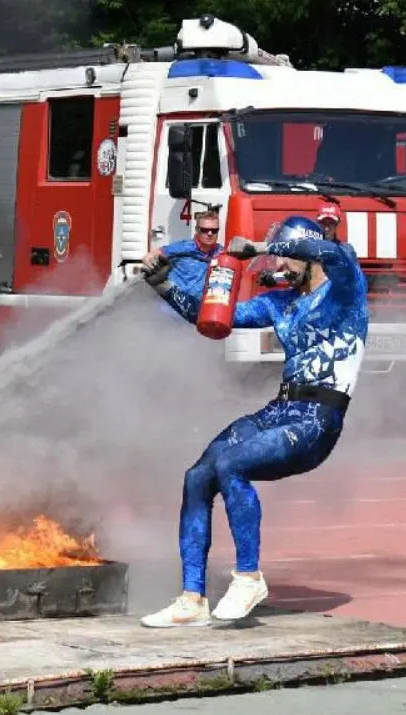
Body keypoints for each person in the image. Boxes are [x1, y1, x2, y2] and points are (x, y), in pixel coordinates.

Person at [137, 215, 369, 627]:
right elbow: (215, 316)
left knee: (233, 464)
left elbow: (334, 252)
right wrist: (164, 286)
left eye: (288, 257)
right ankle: (192, 599)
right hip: (281, 409)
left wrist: (263, 249)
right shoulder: (282, 303)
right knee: (198, 476)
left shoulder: (345, 290)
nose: (280, 269)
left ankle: (248, 578)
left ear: (302, 252)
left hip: (319, 418)